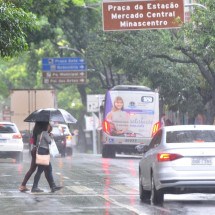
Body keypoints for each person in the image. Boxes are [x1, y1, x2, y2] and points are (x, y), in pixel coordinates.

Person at [31, 122, 63, 193]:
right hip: (43, 152)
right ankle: (34, 187)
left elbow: (37, 143)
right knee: (40, 170)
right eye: (48, 125)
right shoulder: (45, 133)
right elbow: (49, 141)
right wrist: (51, 136)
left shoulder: (40, 133)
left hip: (41, 151)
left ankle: (53, 186)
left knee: (49, 169)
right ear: (46, 126)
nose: (49, 126)